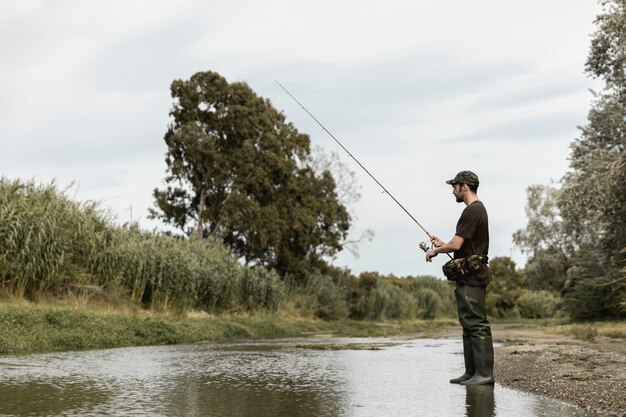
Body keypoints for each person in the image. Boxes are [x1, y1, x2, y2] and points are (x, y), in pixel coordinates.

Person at [424, 170, 494, 385]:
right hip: (467, 275)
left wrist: (435, 251)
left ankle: (484, 375)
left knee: (477, 324)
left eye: (454, 186)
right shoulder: (473, 211)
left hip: (472, 276)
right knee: (467, 324)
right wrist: (442, 244)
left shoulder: (473, 210)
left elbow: (456, 245)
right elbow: (461, 246)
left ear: (465, 186)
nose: (452, 190)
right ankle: (471, 373)